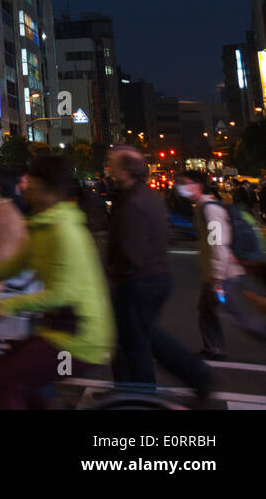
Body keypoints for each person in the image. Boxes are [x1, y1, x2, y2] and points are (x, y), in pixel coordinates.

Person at [0, 155, 115, 409]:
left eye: (30, 180)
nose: (24, 185)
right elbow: (12, 266)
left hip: (80, 339)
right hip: (59, 329)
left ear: (44, 187)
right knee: (5, 369)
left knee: (7, 378)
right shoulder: (44, 225)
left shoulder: (63, 229)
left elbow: (63, 293)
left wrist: (8, 306)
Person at [105, 147, 211, 398]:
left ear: (126, 170)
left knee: (137, 345)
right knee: (143, 336)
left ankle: (141, 396)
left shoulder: (133, 201)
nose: (110, 170)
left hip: (137, 281)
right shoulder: (147, 195)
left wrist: (118, 271)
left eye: (114, 165)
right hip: (151, 277)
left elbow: (130, 248)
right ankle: (193, 376)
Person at [180, 169, 266, 358]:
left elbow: (217, 244)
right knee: (207, 310)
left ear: (198, 186)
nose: (182, 188)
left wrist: (217, 278)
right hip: (215, 274)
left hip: (222, 276)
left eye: (186, 184)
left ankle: (215, 349)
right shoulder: (202, 207)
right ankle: (214, 349)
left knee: (239, 317)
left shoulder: (210, 209)